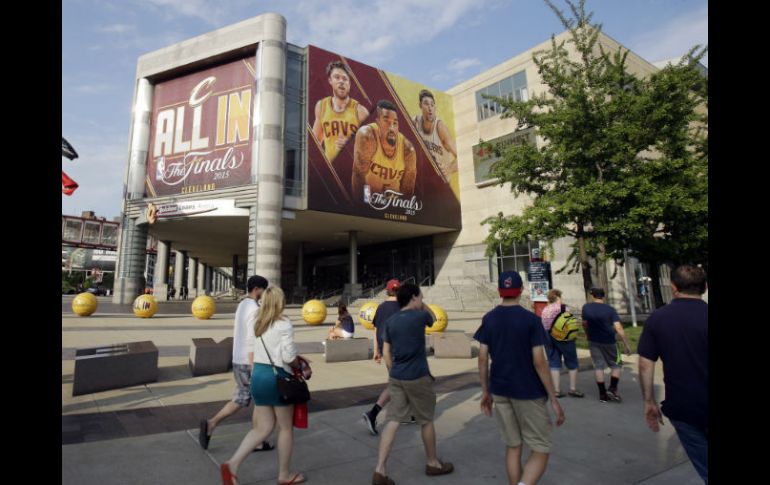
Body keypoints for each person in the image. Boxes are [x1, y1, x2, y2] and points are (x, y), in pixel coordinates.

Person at [474, 271, 565, 485]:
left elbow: (482, 358)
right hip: (528, 391)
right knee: (541, 447)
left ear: (499, 292)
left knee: (513, 446)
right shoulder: (531, 320)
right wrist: (553, 397)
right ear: (521, 290)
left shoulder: (489, 319)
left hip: (500, 390)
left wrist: (486, 392)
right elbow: (539, 362)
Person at [220, 286, 306, 485]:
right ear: (280, 302)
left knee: (262, 428)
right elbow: (288, 356)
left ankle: (232, 464)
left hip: (258, 375)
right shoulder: (283, 323)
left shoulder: (258, 322)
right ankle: (284, 475)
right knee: (285, 428)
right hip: (277, 378)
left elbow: (251, 349)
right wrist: (300, 364)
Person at [372, 283, 453, 485]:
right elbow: (433, 318)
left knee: (393, 420)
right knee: (426, 419)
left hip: (397, 375)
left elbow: (387, 352)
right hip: (417, 376)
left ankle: (380, 469)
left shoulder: (391, 321)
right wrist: (422, 304)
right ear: (414, 297)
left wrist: (393, 373)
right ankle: (433, 462)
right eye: (420, 296)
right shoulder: (419, 316)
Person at [637, 265, 708, 483]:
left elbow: (645, 364)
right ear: (704, 287)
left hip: (684, 407)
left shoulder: (658, 318)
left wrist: (649, 400)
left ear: (674, 287)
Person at [199, 275, 273, 453]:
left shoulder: (242, 305)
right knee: (257, 400)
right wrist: (254, 364)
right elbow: (251, 337)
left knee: (242, 398)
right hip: (249, 361)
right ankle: (256, 439)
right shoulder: (255, 309)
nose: (264, 294)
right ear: (257, 289)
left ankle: (213, 424)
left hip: (238, 358)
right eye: (263, 290)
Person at [352, 99, 417, 202]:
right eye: (386, 121)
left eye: (395, 123)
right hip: (369, 200)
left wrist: (400, 212)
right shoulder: (367, 136)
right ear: (378, 123)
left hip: (393, 206)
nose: (391, 128)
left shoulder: (408, 150)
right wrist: (366, 204)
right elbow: (359, 175)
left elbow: (407, 189)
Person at [362, 279, 401, 435]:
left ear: (387, 290)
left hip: (386, 351)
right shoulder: (402, 307)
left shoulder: (381, 307)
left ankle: (408, 413)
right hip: (400, 350)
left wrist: (376, 351)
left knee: (399, 382)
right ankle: (373, 413)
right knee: (398, 383)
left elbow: (376, 329)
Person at [581, 287, 632, 403]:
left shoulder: (586, 308)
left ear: (592, 296)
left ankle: (602, 394)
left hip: (593, 340)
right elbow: (618, 327)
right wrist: (626, 343)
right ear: (603, 296)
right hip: (609, 341)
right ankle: (613, 388)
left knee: (598, 366)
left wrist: (587, 334)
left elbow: (584, 323)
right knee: (616, 365)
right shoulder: (610, 309)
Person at [312, 60, 370, 162]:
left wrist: (350, 146)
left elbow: (373, 149)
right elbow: (313, 145)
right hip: (330, 172)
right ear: (330, 80)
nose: (341, 81)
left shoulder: (360, 111)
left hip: (352, 171)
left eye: (345, 79)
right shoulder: (322, 106)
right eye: (337, 77)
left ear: (349, 83)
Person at [540, 289, 583, 398]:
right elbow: (570, 324)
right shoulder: (563, 308)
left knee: (554, 362)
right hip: (563, 337)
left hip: (548, 337)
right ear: (558, 297)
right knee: (572, 361)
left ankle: (557, 390)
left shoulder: (545, 310)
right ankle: (573, 389)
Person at [412, 89, 457, 180]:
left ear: (435, 108)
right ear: (420, 105)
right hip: (424, 181)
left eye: (432, 105)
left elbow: (461, 157)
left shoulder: (440, 127)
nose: (430, 108)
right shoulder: (415, 122)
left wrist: (448, 169)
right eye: (426, 104)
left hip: (441, 185)